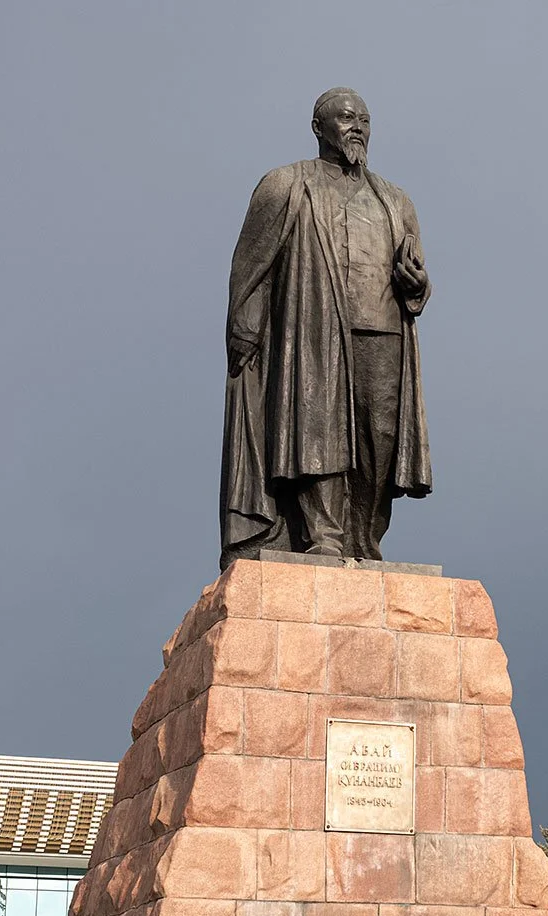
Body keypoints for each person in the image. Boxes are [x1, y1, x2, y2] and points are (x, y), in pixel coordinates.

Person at [220, 87, 432, 566]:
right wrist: (245, 323)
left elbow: (416, 274)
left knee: (378, 441)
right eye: (345, 117)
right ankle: (325, 536)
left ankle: (365, 538)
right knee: (318, 430)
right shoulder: (286, 185)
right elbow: (250, 264)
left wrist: (418, 285)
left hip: (383, 332)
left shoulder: (396, 200)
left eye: (364, 119)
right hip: (312, 328)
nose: (357, 126)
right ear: (319, 128)